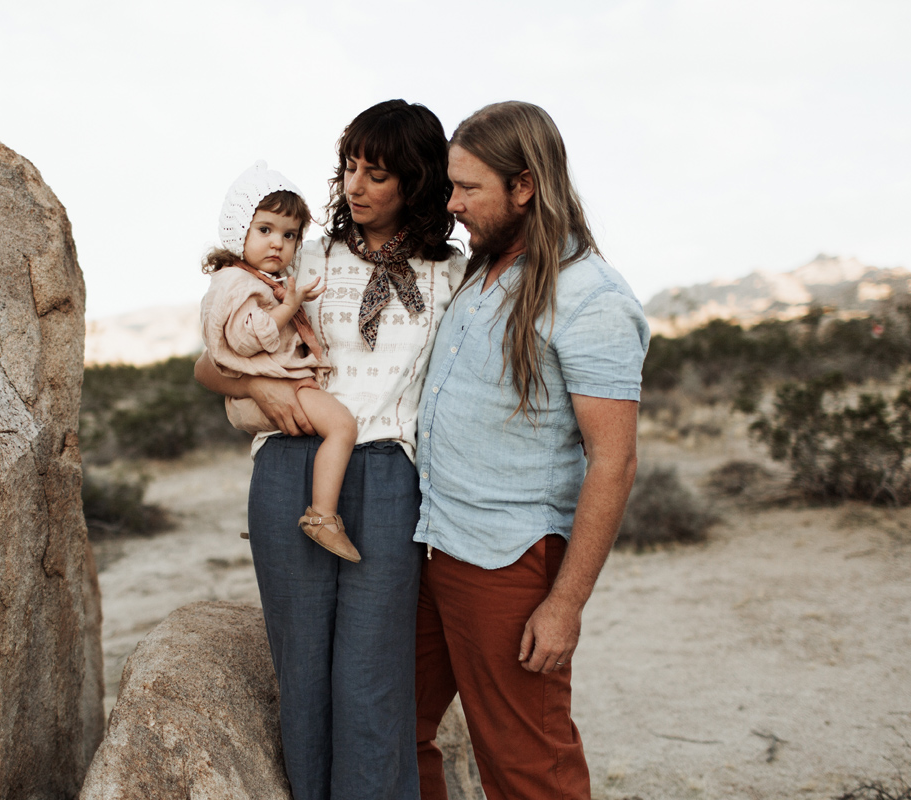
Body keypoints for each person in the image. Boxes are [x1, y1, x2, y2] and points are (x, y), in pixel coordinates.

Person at [194, 100, 463, 800]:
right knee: (303, 667)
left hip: (386, 475)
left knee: (373, 674)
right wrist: (261, 386)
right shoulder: (304, 255)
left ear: (416, 179)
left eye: (378, 173)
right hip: (290, 465)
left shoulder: (451, 273)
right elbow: (209, 364)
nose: (356, 186)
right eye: (350, 167)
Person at [412, 101, 650, 800]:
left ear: (525, 187)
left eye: (468, 189)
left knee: (524, 767)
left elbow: (616, 461)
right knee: (393, 728)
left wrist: (565, 604)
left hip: (508, 561)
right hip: (430, 543)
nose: (451, 204)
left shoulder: (591, 297)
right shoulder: (478, 273)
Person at [200, 161, 361, 562]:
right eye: (265, 230)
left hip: (278, 385)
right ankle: (321, 516)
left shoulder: (252, 280)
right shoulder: (237, 283)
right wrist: (288, 307)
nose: (278, 244)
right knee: (342, 426)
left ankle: (278, 520)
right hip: (274, 386)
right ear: (241, 231)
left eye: (290, 235)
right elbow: (244, 338)